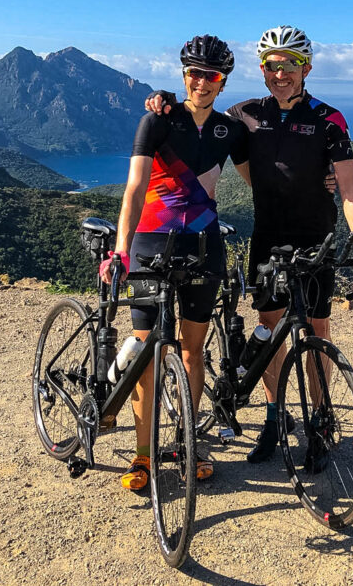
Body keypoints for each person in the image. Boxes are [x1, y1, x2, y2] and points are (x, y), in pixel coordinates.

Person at [147, 25, 353, 466]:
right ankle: (274, 418)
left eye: (290, 64)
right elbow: (199, 117)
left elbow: (350, 184)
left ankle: (321, 420)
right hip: (269, 239)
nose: (281, 74)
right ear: (262, 69)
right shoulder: (244, 114)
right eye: (272, 65)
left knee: (317, 329)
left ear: (305, 68)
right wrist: (162, 98)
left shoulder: (328, 118)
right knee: (270, 327)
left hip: (316, 237)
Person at [101, 34, 249, 492]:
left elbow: (264, 179)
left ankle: (187, 443)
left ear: (222, 83)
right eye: (193, 73)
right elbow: (135, 189)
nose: (201, 82)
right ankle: (143, 455)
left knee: (191, 350)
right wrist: (121, 252)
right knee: (147, 350)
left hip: (204, 247)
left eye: (211, 76)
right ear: (183, 74)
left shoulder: (231, 131)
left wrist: (321, 180)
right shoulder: (158, 121)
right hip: (151, 244)